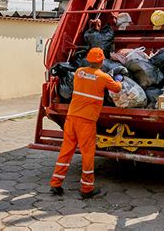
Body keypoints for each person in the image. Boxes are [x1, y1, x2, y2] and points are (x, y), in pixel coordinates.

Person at [50, 47, 122, 199]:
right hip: (86, 120)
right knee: (87, 153)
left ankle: (56, 183)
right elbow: (116, 89)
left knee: (66, 150)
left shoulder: (79, 72)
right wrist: (119, 79)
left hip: (71, 117)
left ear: (88, 60)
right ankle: (87, 188)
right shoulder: (103, 77)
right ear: (102, 61)